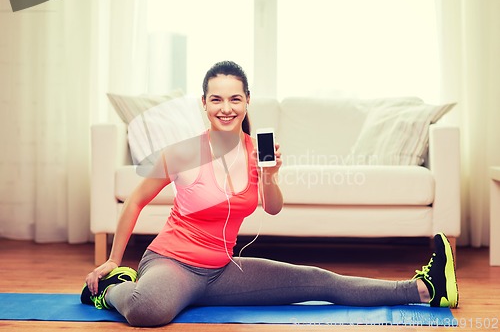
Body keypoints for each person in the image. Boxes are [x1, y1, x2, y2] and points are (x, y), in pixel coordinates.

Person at [81, 61, 459, 327]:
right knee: (147, 310)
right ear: (204, 104)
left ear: (247, 101)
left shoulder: (255, 151)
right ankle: (113, 289)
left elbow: (273, 209)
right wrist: (114, 259)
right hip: (172, 264)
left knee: (319, 281)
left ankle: (425, 287)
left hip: (222, 272)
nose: (225, 108)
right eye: (216, 99)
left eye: (234, 99)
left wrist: (271, 176)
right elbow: (136, 200)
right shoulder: (181, 152)